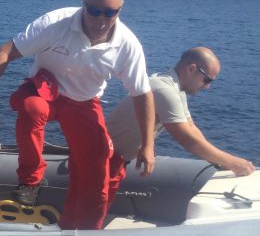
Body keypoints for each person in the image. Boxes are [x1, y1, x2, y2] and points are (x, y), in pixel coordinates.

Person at [0, 0, 155, 230]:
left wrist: (147, 144)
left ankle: (81, 230)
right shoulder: (56, 23)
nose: (100, 19)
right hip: (45, 91)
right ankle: (30, 181)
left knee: (98, 165)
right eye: (94, 11)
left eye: (109, 13)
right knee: (32, 108)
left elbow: (142, 94)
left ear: (120, 10)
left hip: (84, 102)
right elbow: (5, 52)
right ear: (83, 3)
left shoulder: (127, 45)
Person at [106, 47, 254, 199]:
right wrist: (234, 163)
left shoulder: (175, 88)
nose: (207, 86)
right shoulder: (165, 91)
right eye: (207, 80)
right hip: (104, 158)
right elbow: (188, 140)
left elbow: (192, 129)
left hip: (116, 160)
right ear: (191, 69)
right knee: (94, 210)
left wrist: (220, 161)